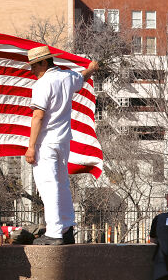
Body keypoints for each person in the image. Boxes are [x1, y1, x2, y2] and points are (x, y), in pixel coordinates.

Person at [25, 45, 98, 245]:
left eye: (34, 66)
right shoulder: (66, 77)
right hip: (64, 140)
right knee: (62, 184)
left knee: (49, 186)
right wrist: (92, 68)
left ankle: (55, 232)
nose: (32, 70)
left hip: (46, 142)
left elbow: (38, 116)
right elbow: (81, 77)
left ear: (43, 62)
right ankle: (66, 228)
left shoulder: (42, 84)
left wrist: (31, 146)